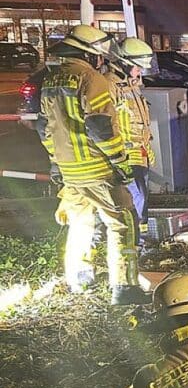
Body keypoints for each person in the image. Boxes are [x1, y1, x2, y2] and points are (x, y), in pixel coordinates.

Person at [37, 24, 144, 305]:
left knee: (80, 223)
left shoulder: (51, 80)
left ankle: (79, 278)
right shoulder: (91, 78)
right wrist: (120, 161)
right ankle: (124, 287)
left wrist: (56, 163)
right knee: (122, 223)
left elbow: (44, 128)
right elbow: (100, 126)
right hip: (97, 169)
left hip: (69, 171)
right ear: (90, 54)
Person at [107, 37, 156, 222]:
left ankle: (142, 233)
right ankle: (138, 235)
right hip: (125, 154)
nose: (140, 71)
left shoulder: (131, 84)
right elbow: (107, 122)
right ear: (124, 63)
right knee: (136, 198)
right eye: (138, 66)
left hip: (140, 152)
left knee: (142, 197)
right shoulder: (110, 84)